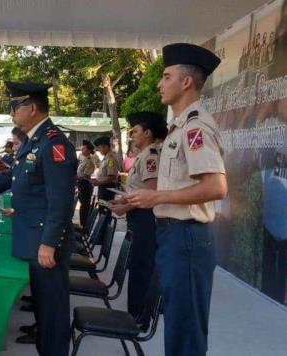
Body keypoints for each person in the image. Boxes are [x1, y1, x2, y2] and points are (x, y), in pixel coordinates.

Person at [126, 43, 227, 356]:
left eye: (166, 76)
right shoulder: (178, 129)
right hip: (173, 235)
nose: (159, 83)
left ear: (185, 82)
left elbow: (216, 186)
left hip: (187, 237)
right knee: (178, 327)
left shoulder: (195, 128)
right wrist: (148, 200)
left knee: (185, 332)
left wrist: (158, 195)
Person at [0, 82, 77, 356]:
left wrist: (49, 243)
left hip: (45, 243)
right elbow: (11, 177)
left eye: (15, 106)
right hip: (34, 238)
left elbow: (61, 200)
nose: (11, 113)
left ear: (33, 107)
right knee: (43, 310)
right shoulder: (34, 142)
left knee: (52, 314)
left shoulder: (53, 144)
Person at [110, 111, 167, 330]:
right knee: (136, 266)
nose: (132, 135)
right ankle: (134, 314)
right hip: (137, 216)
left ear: (148, 133)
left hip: (145, 218)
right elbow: (140, 189)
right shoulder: (142, 155)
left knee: (142, 268)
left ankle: (139, 319)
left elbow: (151, 191)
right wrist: (124, 201)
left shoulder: (151, 155)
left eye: (135, 131)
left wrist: (125, 206)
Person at [91, 136, 120, 204]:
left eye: (100, 147)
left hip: (107, 189)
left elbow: (112, 177)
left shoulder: (111, 159)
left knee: (105, 210)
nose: (99, 149)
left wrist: (98, 183)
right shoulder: (106, 158)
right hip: (103, 187)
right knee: (102, 208)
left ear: (106, 147)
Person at [77, 140, 96, 229]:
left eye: (84, 148)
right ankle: (82, 225)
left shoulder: (89, 162)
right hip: (81, 184)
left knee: (84, 208)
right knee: (83, 206)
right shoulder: (82, 159)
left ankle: (84, 228)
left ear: (88, 150)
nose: (82, 149)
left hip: (85, 185)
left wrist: (74, 178)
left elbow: (85, 175)